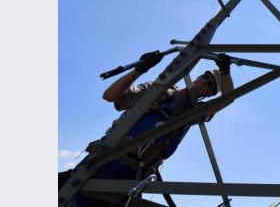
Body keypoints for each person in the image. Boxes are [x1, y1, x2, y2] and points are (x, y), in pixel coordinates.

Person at [59, 50, 235, 205]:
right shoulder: (159, 90)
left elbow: (228, 98)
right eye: (205, 77)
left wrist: (225, 72)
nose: (204, 83)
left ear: (210, 94)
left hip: (131, 172)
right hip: (101, 160)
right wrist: (141, 69)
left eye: (211, 85)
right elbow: (110, 96)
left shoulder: (194, 113)